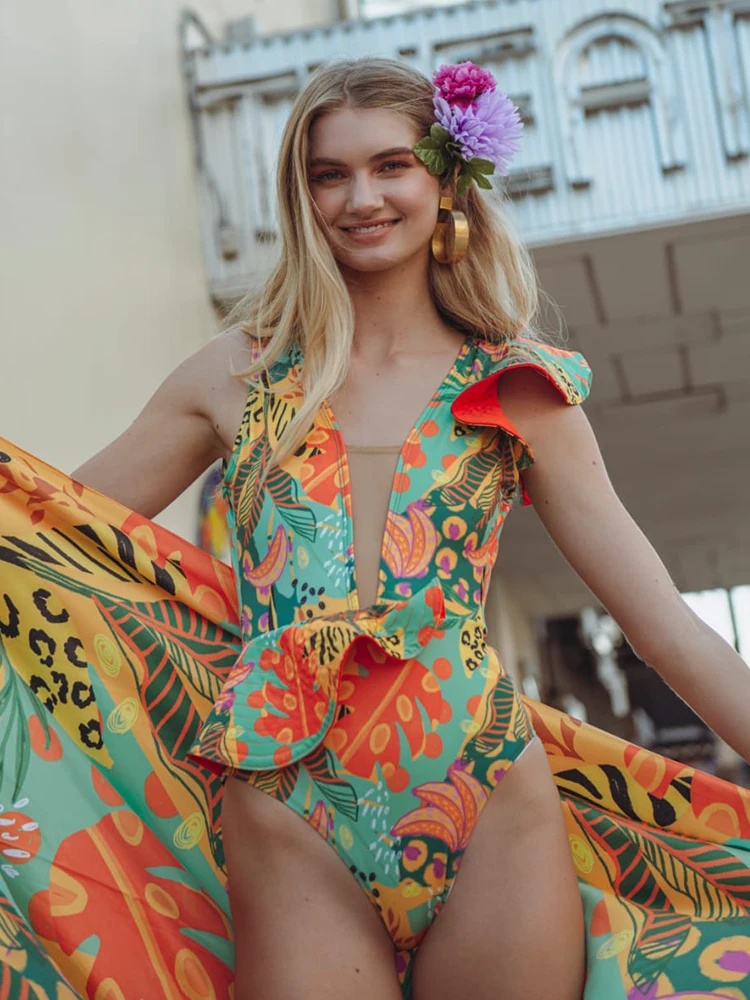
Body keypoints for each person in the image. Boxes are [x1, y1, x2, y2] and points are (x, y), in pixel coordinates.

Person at [2, 56, 750, 1000]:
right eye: (328, 174)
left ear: (446, 179)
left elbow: (665, 628)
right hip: (285, 801)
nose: (362, 198)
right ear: (300, 194)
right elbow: (44, 536)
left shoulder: (519, 387)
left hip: (483, 788)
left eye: (391, 165)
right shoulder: (232, 375)